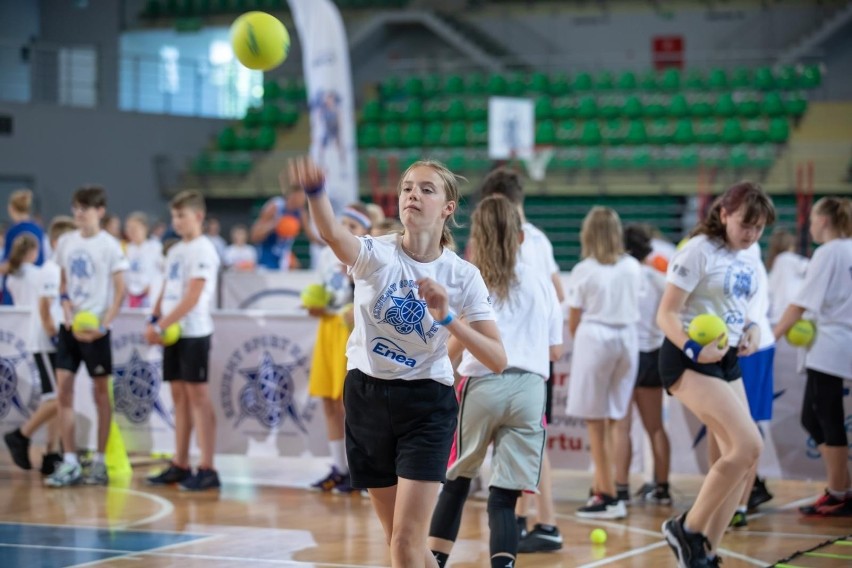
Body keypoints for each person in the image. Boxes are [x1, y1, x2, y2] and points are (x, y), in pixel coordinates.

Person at [289, 155, 506, 567]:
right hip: (367, 396)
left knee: (406, 543)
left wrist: (447, 319)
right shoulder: (376, 253)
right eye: (408, 187)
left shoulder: (463, 276)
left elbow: (496, 358)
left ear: (447, 208)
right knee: (398, 541)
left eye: (426, 189)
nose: (413, 194)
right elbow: (334, 234)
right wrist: (316, 193)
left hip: (426, 405)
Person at [427, 195, 563, 568]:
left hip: (484, 384)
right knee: (505, 497)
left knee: (457, 483)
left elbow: (458, 341)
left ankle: (435, 560)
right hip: (531, 390)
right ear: (520, 237)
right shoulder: (543, 283)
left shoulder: (473, 277)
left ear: (478, 237)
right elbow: (556, 350)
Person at [658, 181, 775, 567]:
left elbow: (744, 306)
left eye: (758, 228)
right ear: (724, 214)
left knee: (743, 459)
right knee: (748, 446)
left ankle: (705, 551)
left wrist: (753, 330)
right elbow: (667, 314)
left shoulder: (749, 253)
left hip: (726, 359)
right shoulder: (698, 251)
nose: (752, 233)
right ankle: (686, 529)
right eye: (746, 224)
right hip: (687, 357)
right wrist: (694, 347)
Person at [477, 167, 565, 552]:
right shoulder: (541, 239)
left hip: (513, 362)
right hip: (532, 357)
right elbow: (558, 291)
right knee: (524, 443)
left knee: (528, 443)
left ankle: (544, 521)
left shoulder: (506, 241)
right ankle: (527, 518)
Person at [773, 197, 852, 517]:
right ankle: (841, 487)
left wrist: (770, 337)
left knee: (825, 416)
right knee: (814, 416)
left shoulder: (828, 252)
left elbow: (800, 304)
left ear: (824, 221)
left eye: (813, 219)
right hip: (840, 343)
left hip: (830, 346)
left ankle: (838, 492)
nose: (808, 225)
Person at [46, 186, 129, 488]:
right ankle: (69, 461)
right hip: (70, 329)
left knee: (99, 395)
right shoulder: (67, 241)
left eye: (85, 208)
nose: (79, 213)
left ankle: (100, 461)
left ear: (100, 211)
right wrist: (66, 309)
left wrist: (104, 325)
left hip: (96, 331)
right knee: (63, 391)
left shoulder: (110, 245)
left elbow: (121, 291)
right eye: (76, 208)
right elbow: (63, 282)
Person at [566, 207, 640, 520]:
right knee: (612, 418)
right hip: (628, 338)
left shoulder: (585, 269)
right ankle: (606, 486)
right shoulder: (632, 266)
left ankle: (606, 495)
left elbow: (573, 318)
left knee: (595, 422)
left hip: (596, 335)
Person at [145, 190, 222, 491]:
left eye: (182, 215)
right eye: (174, 216)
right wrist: (154, 319)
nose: (176, 221)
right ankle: (180, 462)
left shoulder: (204, 249)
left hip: (193, 332)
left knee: (198, 399)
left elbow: (193, 295)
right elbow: (167, 288)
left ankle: (208, 466)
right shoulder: (175, 250)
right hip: (172, 332)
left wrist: (162, 324)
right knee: (178, 397)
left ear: (198, 216)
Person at [4, 217, 77, 475]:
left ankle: (52, 452)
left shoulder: (50, 270)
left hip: (51, 338)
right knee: (57, 399)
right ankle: (21, 435)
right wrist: (54, 335)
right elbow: (45, 308)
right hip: (46, 341)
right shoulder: (48, 270)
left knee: (58, 399)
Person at [307, 203, 372, 493]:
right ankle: (339, 467)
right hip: (329, 329)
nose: (345, 229)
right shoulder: (326, 255)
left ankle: (360, 470)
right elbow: (322, 291)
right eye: (342, 223)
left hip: (353, 331)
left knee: (351, 404)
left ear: (366, 231)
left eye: (353, 226)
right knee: (328, 401)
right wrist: (315, 305)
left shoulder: (367, 255)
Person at [613, 224, 672, 506]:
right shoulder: (657, 278)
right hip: (651, 355)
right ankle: (662, 488)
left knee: (621, 428)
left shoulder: (620, 275)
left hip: (625, 354)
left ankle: (620, 489)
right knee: (656, 427)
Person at [724, 242, 776, 528]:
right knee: (720, 426)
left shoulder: (747, 255)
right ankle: (726, 497)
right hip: (728, 344)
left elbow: (751, 311)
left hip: (752, 347)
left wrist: (749, 330)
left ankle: (741, 502)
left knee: (748, 425)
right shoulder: (716, 252)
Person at [251, 183, 310, 271]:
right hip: (266, 258)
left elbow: (311, 235)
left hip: (283, 258)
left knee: (295, 267)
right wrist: (274, 224)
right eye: (303, 197)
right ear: (294, 195)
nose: (304, 200)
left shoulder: (301, 213)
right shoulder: (275, 206)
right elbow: (254, 236)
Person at [2, 189, 45, 305]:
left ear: (11, 208)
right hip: (36, 287)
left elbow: (11, 263)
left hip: (16, 287)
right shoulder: (38, 230)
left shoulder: (13, 232)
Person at [124, 212, 164, 308]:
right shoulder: (127, 248)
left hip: (148, 295)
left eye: (135, 228)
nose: (131, 231)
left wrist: (153, 286)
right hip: (131, 294)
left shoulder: (155, 247)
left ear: (145, 228)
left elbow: (164, 270)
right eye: (129, 228)